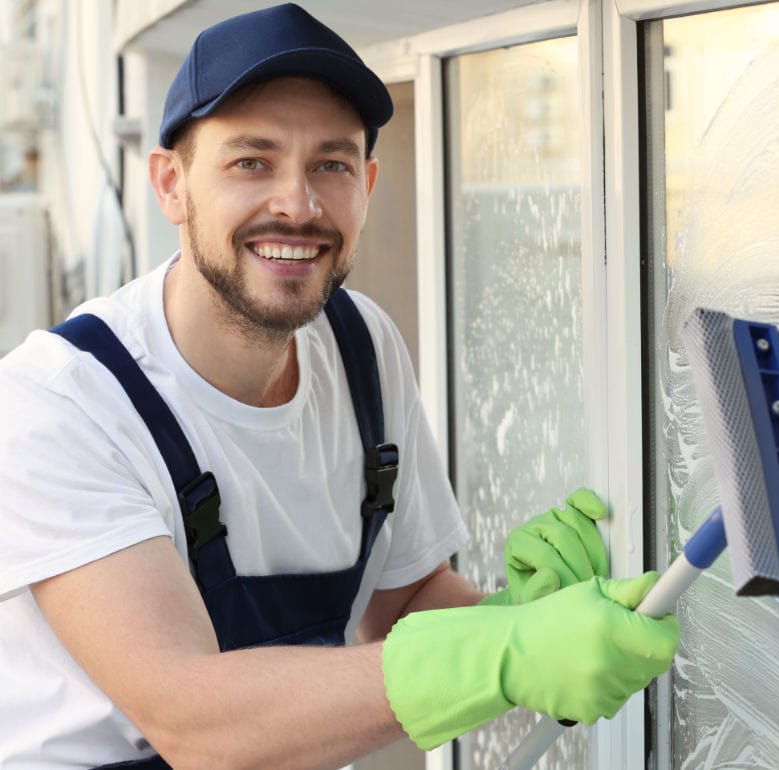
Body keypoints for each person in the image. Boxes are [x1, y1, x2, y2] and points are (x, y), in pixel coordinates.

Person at [0, 4, 680, 768]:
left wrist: (513, 615)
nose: (298, 203)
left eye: (331, 164)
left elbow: (404, 609)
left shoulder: (361, 348)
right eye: (251, 161)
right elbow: (190, 722)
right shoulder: (62, 401)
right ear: (171, 183)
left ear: (368, 184)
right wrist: (500, 653)